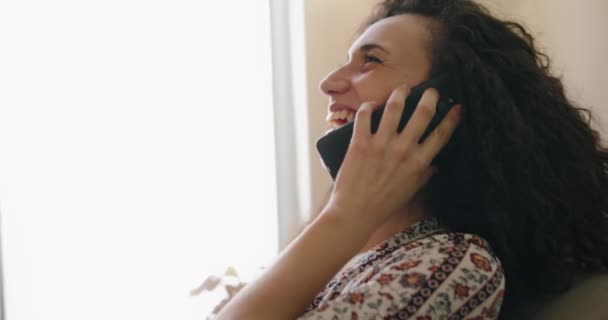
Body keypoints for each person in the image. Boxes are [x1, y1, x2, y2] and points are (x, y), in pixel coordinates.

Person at [215, 0, 608, 319]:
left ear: (441, 105)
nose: (329, 83)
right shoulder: (344, 258)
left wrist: (346, 213)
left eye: (371, 60)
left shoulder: (453, 264)